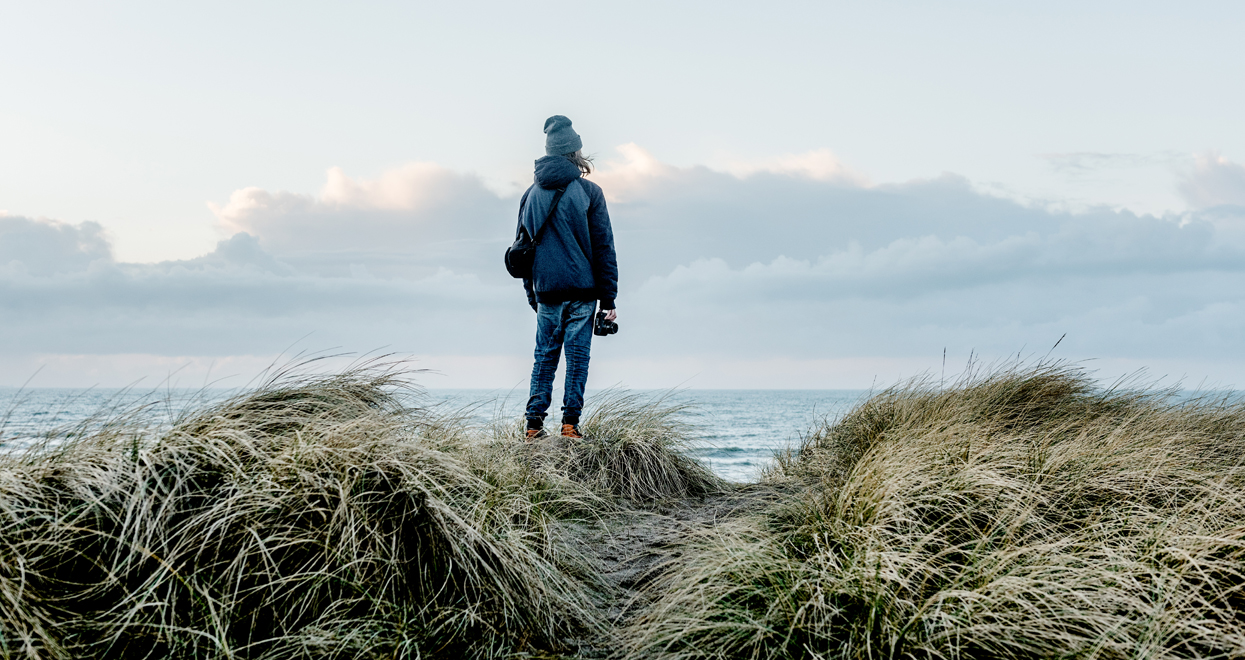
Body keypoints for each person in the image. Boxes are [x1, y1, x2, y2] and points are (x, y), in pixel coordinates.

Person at [516, 115, 618, 440]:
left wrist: (534, 295)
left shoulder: (529, 196)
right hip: (582, 292)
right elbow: (604, 248)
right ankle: (570, 426)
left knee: (543, 359)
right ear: (575, 153)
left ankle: (533, 427)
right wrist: (609, 299)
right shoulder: (589, 192)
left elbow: (522, 253)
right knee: (577, 359)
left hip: (545, 292)